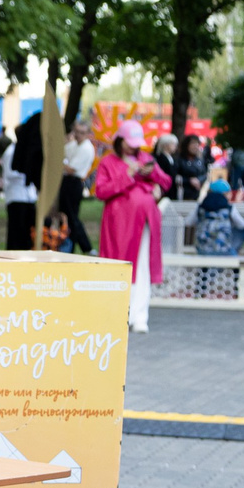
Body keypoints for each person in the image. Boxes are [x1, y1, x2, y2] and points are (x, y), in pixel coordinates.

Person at [94, 121, 171, 331]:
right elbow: (101, 191)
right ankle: (118, 314)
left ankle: (139, 317)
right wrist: (126, 176)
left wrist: (152, 176)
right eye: (128, 143)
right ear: (119, 141)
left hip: (146, 220)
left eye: (135, 144)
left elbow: (166, 182)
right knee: (120, 265)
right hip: (119, 223)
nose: (132, 148)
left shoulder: (146, 159)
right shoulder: (108, 162)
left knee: (143, 265)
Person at [2, 116, 45, 249]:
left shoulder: (25, 153)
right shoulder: (11, 152)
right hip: (16, 196)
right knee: (17, 232)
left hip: (28, 197)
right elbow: (11, 173)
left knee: (27, 232)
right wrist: (27, 172)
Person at [56, 118, 97, 253]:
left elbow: (71, 169)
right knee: (66, 215)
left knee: (72, 217)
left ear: (87, 133)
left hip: (74, 183)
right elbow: (61, 150)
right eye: (77, 131)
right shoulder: (74, 145)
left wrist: (60, 162)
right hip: (67, 182)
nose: (79, 134)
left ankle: (86, 246)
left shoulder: (86, 148)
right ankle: (69, 244)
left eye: (82, 132)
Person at [193, 176, 240, 256]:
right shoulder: (229, 208)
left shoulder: (201, 207)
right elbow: (242, 224)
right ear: (225, 194)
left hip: (202, 249)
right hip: (223, 250)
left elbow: (188, 221)